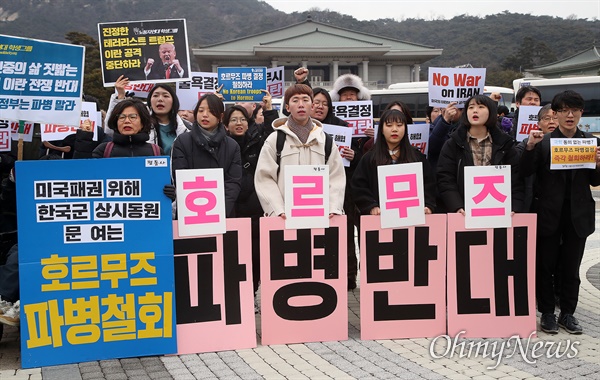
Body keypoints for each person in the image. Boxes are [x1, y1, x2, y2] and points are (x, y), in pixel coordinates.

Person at [519, 90, 600, 335]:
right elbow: (524, 171)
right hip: (548, 214)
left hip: (578, 214)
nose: (569, 115)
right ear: (555, 113)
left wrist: (598, 165)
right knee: (545, 266)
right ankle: (547, 314)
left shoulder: (589, 141)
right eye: (564, 110)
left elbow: (595, 180)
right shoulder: (544, 142)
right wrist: (530, 147)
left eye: (574, 110)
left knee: (571, 267)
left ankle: (568, 313)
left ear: (581, 113)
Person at [254, 84, 345, 219]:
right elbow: (264, 178)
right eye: (295, 100)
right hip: (285, 218)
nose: (301, 105)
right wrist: (277, 210)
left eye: (305, 100)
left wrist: (333, 207)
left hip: (321, 216)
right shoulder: (275, 140)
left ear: (312, 106)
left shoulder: (326, 140)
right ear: (287, 107)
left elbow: (336, 177)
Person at [436, 94, 524, 215]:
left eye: (481, 107)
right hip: (464, 212)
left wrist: (514, 207)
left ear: (491, 112)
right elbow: (445, 179)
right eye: (471, 107)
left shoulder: (505, 144)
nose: (475, 111)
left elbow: (516, 179)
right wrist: (457, 206)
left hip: (499, 210)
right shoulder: (453, 144)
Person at [310, 87, 360, 290]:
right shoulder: (302, 127)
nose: (320, 106)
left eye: (324, 103)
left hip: (339, 187)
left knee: (345, 231)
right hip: (311, 187)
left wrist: (352, 154)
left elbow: (357, 152)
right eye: (316, 102)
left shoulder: (341, 126)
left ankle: (349, 275)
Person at [224, 105, 268, 311]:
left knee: (257, 257)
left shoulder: (258, 143)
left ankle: (252, 295)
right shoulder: (222, 146)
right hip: (232, 211)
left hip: (256, 210)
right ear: (225, 125)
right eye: (233, 120)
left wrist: (269, 112)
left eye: (242, 119)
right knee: (236, 258)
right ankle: (238, 296)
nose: (238, 123)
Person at [352, 109, 436, 216]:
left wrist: (428, 205)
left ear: (405, 129)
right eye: (389, 125)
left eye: (399, 125)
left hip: (412, 217)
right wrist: (371, 206)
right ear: (381, 129)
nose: (394, 129)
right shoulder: (369, 158)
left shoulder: (417, 157)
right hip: (379, 219)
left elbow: (429, 185)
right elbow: (359, 186)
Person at [170, 94, 242, 217]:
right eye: (201, 110)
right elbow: (180, 176)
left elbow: (233, 183)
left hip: (223, 213)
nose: (205, 115)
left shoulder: (232, 145)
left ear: (220, 116)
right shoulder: (182, 141)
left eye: (211, 111)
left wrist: (219, 211)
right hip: (190, 212)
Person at [93, 99, 164, 158]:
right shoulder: (103, 150)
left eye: (132, 117)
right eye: (122, 117)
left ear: (143, 122)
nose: (127, 121)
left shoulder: (156, 151)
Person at [146, 84, 189, 155]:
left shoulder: (187, 128)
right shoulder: (141, 127)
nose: (160, 99)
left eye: (165, 96)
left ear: (173, 101)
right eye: (155, 95)